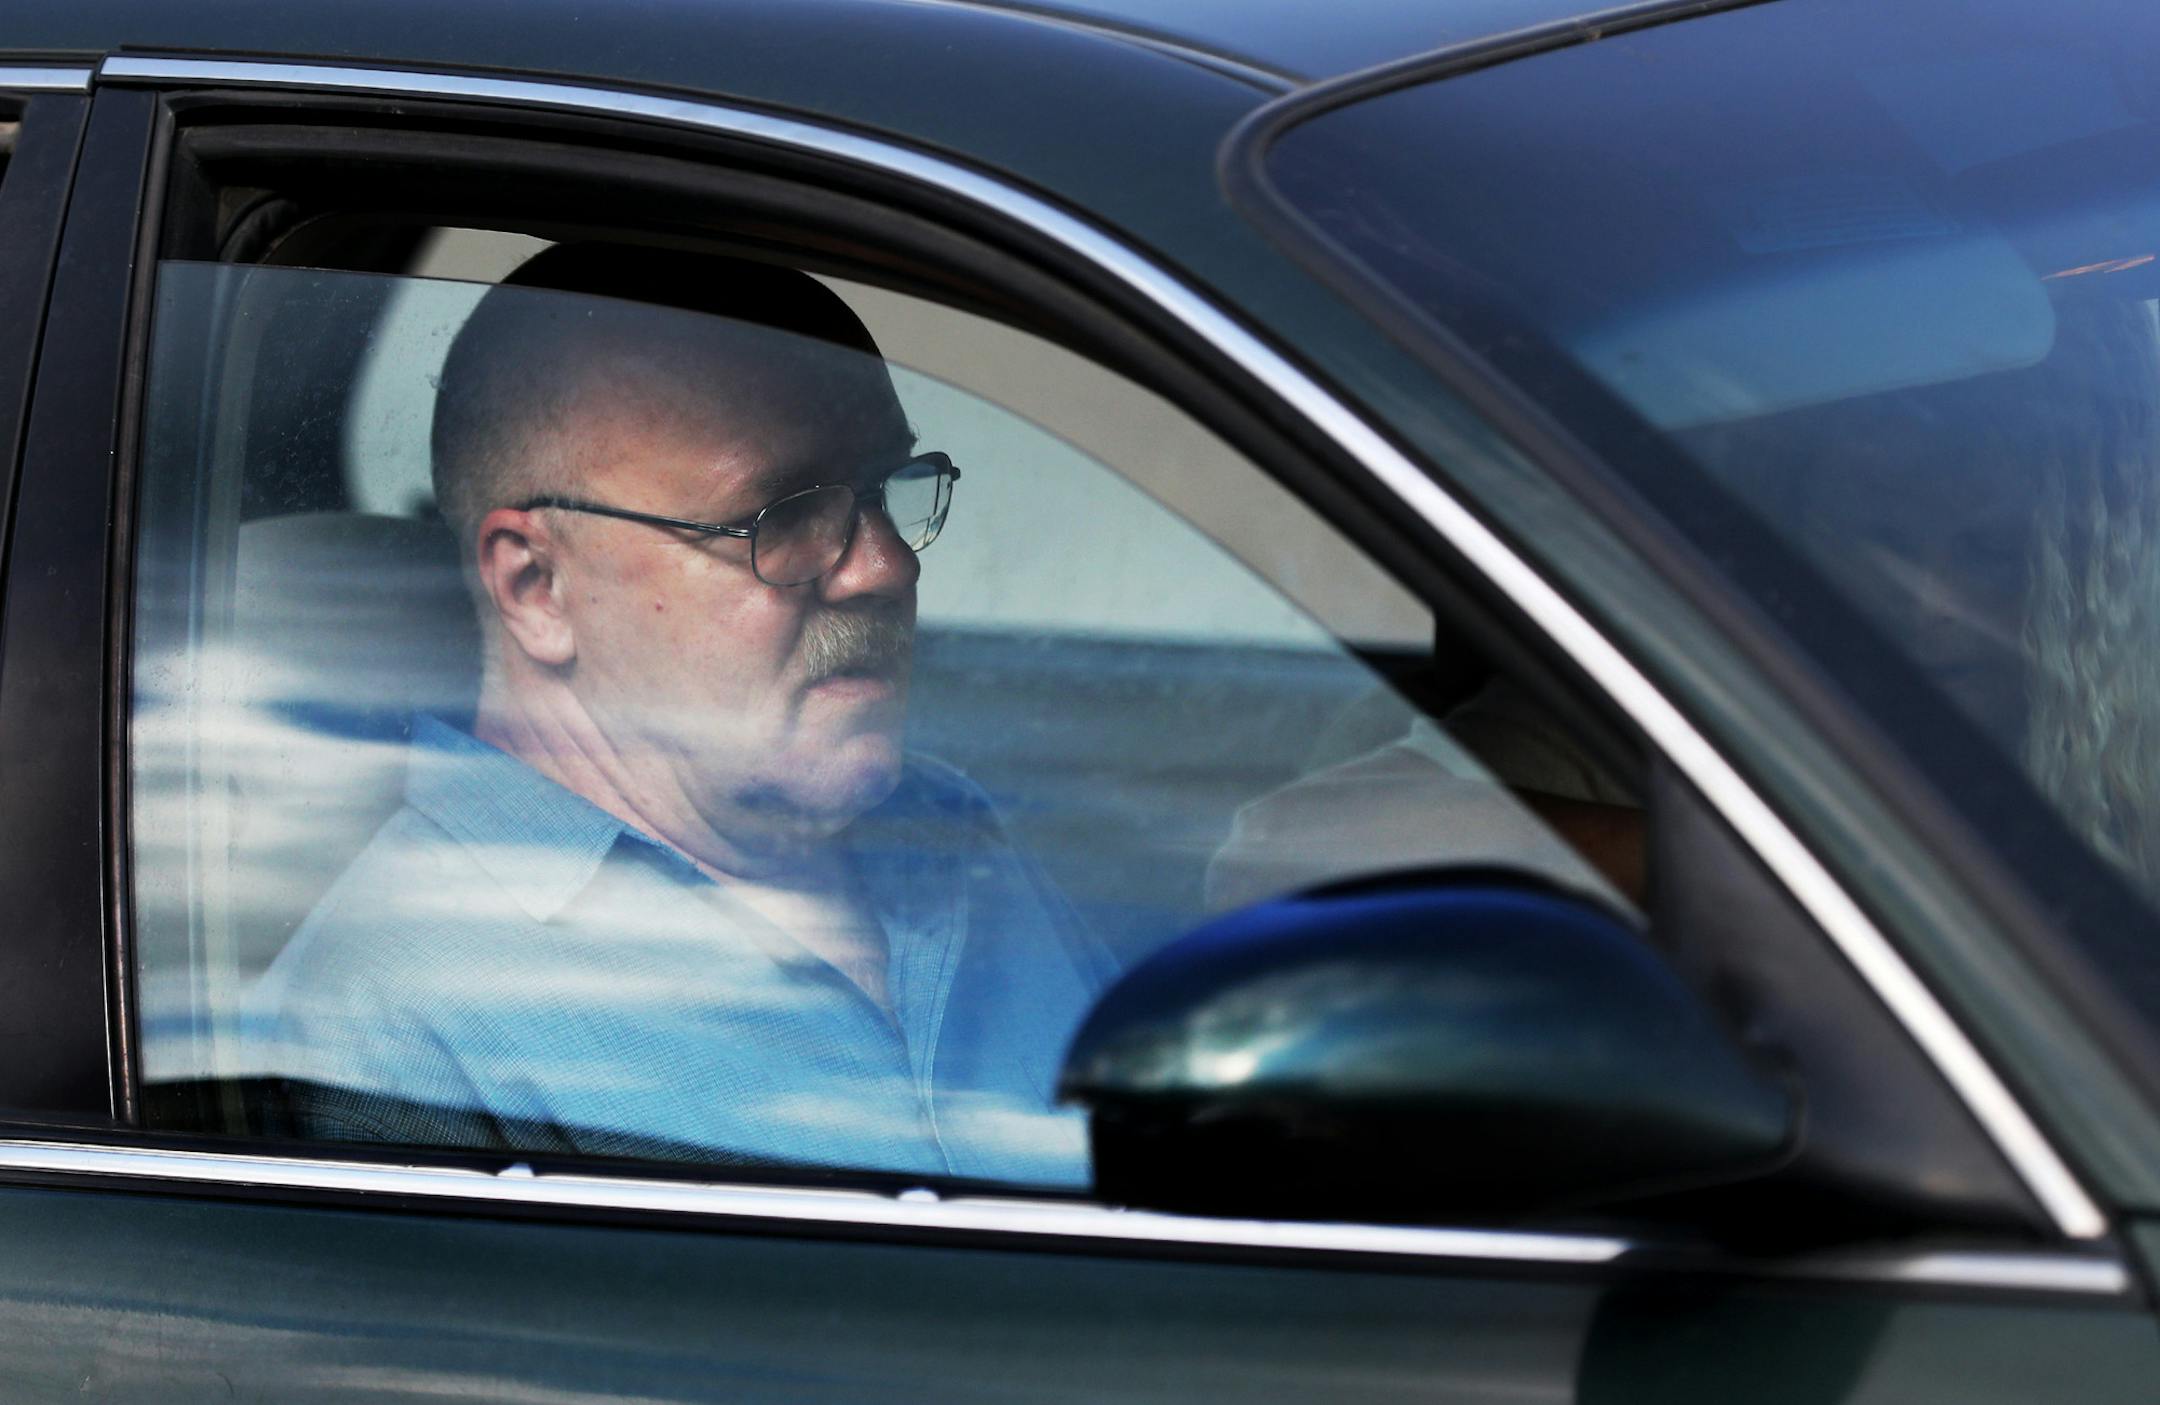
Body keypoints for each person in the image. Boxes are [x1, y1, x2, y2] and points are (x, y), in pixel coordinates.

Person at [251, 246, 1112, 1185]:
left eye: (885, 493)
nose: (885, 567)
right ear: (537, 587)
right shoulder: (390, 1022)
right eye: (783, 517)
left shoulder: (956, 832)